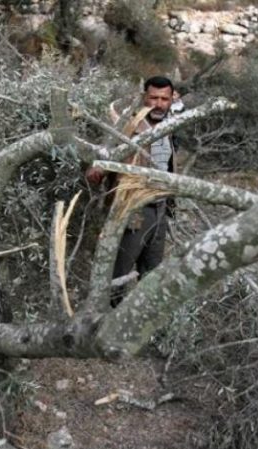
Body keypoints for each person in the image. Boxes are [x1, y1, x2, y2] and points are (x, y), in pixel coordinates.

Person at [86, 76, 179, 306]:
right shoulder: (127, 125)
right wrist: (97, 170)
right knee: (118, 274)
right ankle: (109, 322)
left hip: (160, 211)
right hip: (132, 212)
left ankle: (142, 324)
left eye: (164, 99)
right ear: (144, 98)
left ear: (171, 99)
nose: (158, 104)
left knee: (151, 275)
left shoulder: (171, 125)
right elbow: (104, 155)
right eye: (153, 98)